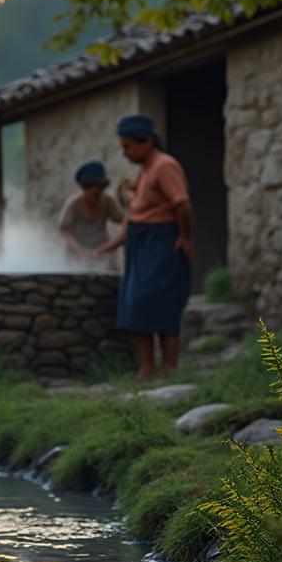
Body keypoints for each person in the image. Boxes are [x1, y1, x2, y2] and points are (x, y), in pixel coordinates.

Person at [96, 114, 194, 379]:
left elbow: (182, 203)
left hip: (160, 242)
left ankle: (170, 369)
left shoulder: (164, 166)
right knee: (136, 305)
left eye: (128, 146)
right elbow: (138, 211)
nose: (125, 153)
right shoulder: (145, 170)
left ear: (146, 142)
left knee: (160, 302)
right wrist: (112, 245)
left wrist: (185, 236)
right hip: (141, 243)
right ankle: (146, 369)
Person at [58, 160, 123, 268]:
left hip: (101, 251)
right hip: (77, 252)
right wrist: (80, 252)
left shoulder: (108, 201)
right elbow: (63, 229)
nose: (97, 196)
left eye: (100, 191)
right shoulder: (73, 204)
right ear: (85, 188)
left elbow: (122, 220)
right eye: (94, 193)